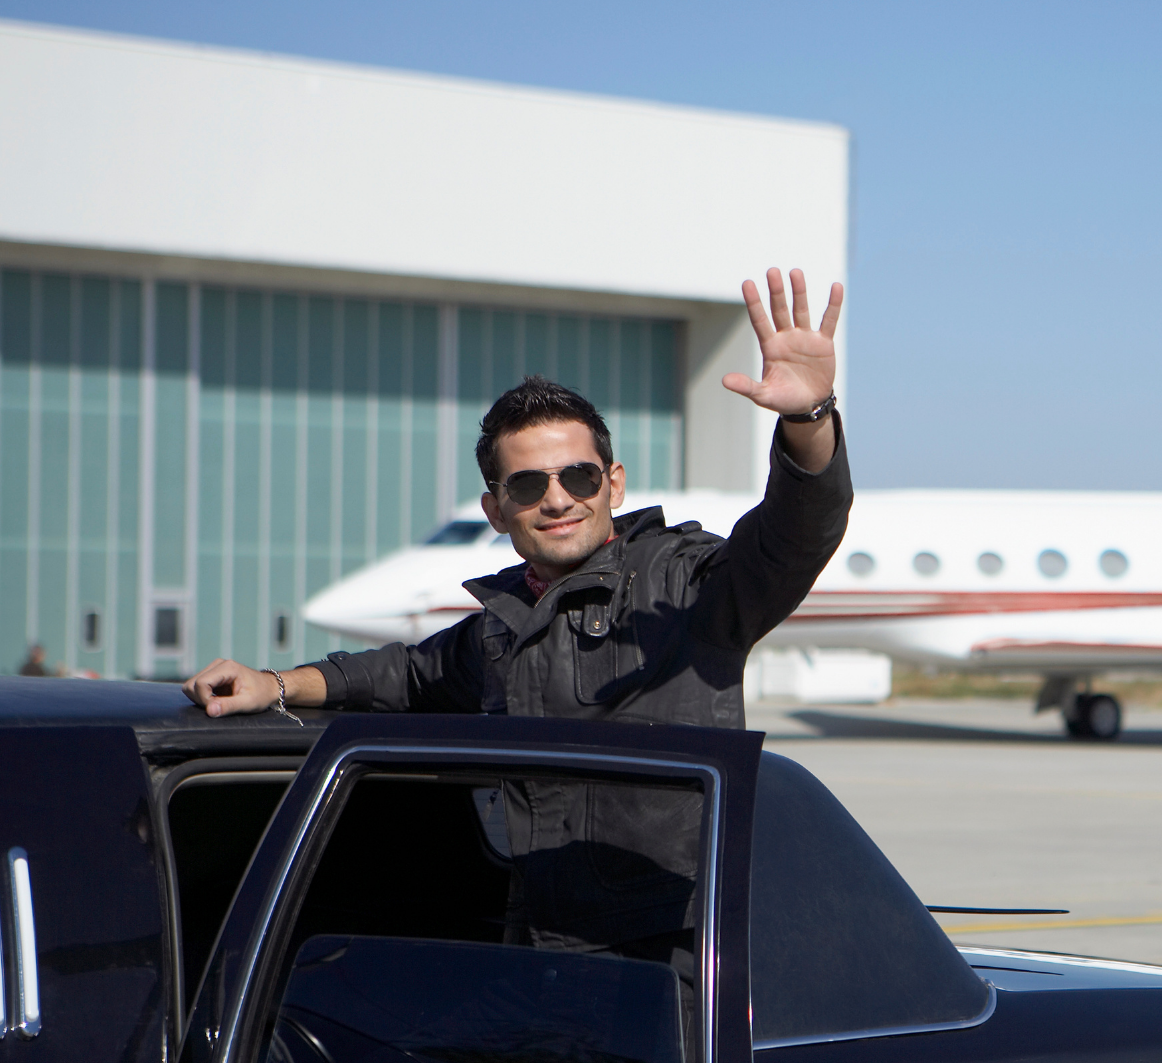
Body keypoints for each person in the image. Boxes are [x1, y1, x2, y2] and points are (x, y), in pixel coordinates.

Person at [184, 268, 850, 727]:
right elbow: (402, 676)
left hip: (662, 930)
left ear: (613, 484)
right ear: (497, 510)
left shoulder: (684, 588)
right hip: (525, 924)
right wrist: (273, 685)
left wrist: (808, 417)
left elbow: (796, 536)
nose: (558, 499)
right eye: (530, 485)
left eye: (580, 477)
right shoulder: (502, 625)